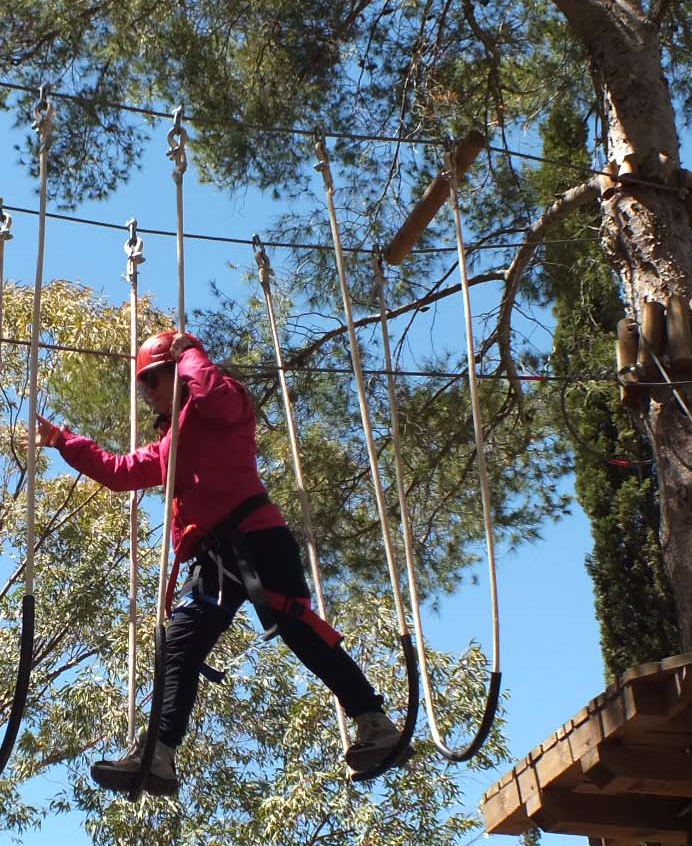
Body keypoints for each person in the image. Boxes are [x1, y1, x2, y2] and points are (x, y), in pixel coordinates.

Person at [34, 328, 411, 798]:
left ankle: (375, 722)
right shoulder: (171, 442)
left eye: (153, 379)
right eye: (143, 384)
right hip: (212, 557)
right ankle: (159, 754)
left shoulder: (225, 401)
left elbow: (212, 397)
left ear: (179, 372)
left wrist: (190, 353)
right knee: (180, 645)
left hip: (257, 538)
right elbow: (119, 472)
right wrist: (63, 441)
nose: (147, 392)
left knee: (297, 627)